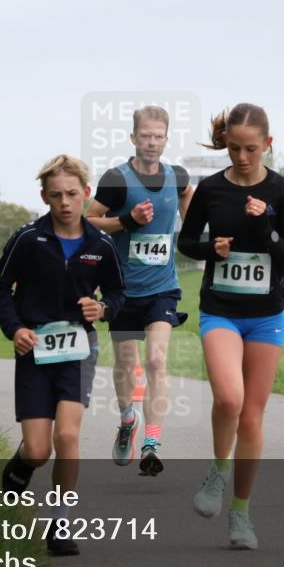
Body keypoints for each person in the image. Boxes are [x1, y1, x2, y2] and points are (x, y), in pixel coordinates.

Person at [178, 103, 284, 550]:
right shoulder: (212, 190)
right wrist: (210, 249)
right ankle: (218, 470)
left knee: (252, 416)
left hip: (267, 315)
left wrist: (268, 226)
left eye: (251, 149)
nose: (241, 157)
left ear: (268, 145)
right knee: (229, 398)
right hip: (220, 310)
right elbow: (186, 241)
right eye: (233, 148)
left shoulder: (283, 191)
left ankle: (241, 514)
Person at [0, 154, 124, 557]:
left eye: (71, 194)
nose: (65, 202)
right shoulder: (29, 239)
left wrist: (102, 310)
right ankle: (21, 464)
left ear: (86, 194)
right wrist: (15, 330)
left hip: (78, 350)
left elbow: (118, 294)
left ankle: (61, 522)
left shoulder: (101, 245)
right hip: (34, 350)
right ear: (45, 197)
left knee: (67, 435)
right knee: (38, 450)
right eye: (55, 195)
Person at [85, 105, 195, 475]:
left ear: (166, 138)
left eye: (158, 136)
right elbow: (89, 221)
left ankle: (151, 441)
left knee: (157, 361)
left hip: (163, 289)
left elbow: (192, 215)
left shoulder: (177, 177)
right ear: (133, 138)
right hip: (123, 291)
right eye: (145, 136)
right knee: (127, 365)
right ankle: (126, 419)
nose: (151, 142)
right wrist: (126, 221)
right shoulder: (117, 179)